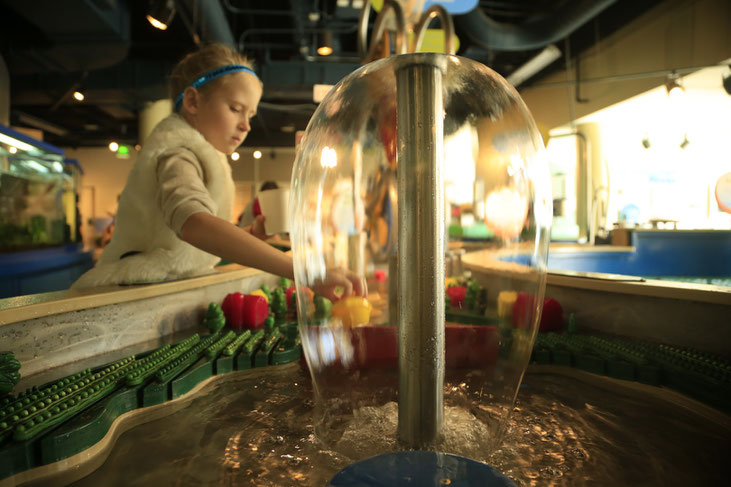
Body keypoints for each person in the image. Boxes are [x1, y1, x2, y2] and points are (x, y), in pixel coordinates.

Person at [72, 43, 365, 300]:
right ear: (192, 102)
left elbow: (186, 242)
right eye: (235, 108)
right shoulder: (177, 152)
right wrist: (304, 270)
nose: (246, 125)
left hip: (156, 291)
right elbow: (194, 225)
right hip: (130, 294)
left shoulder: (201, 154)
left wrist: (247, 235)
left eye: (250, 114)